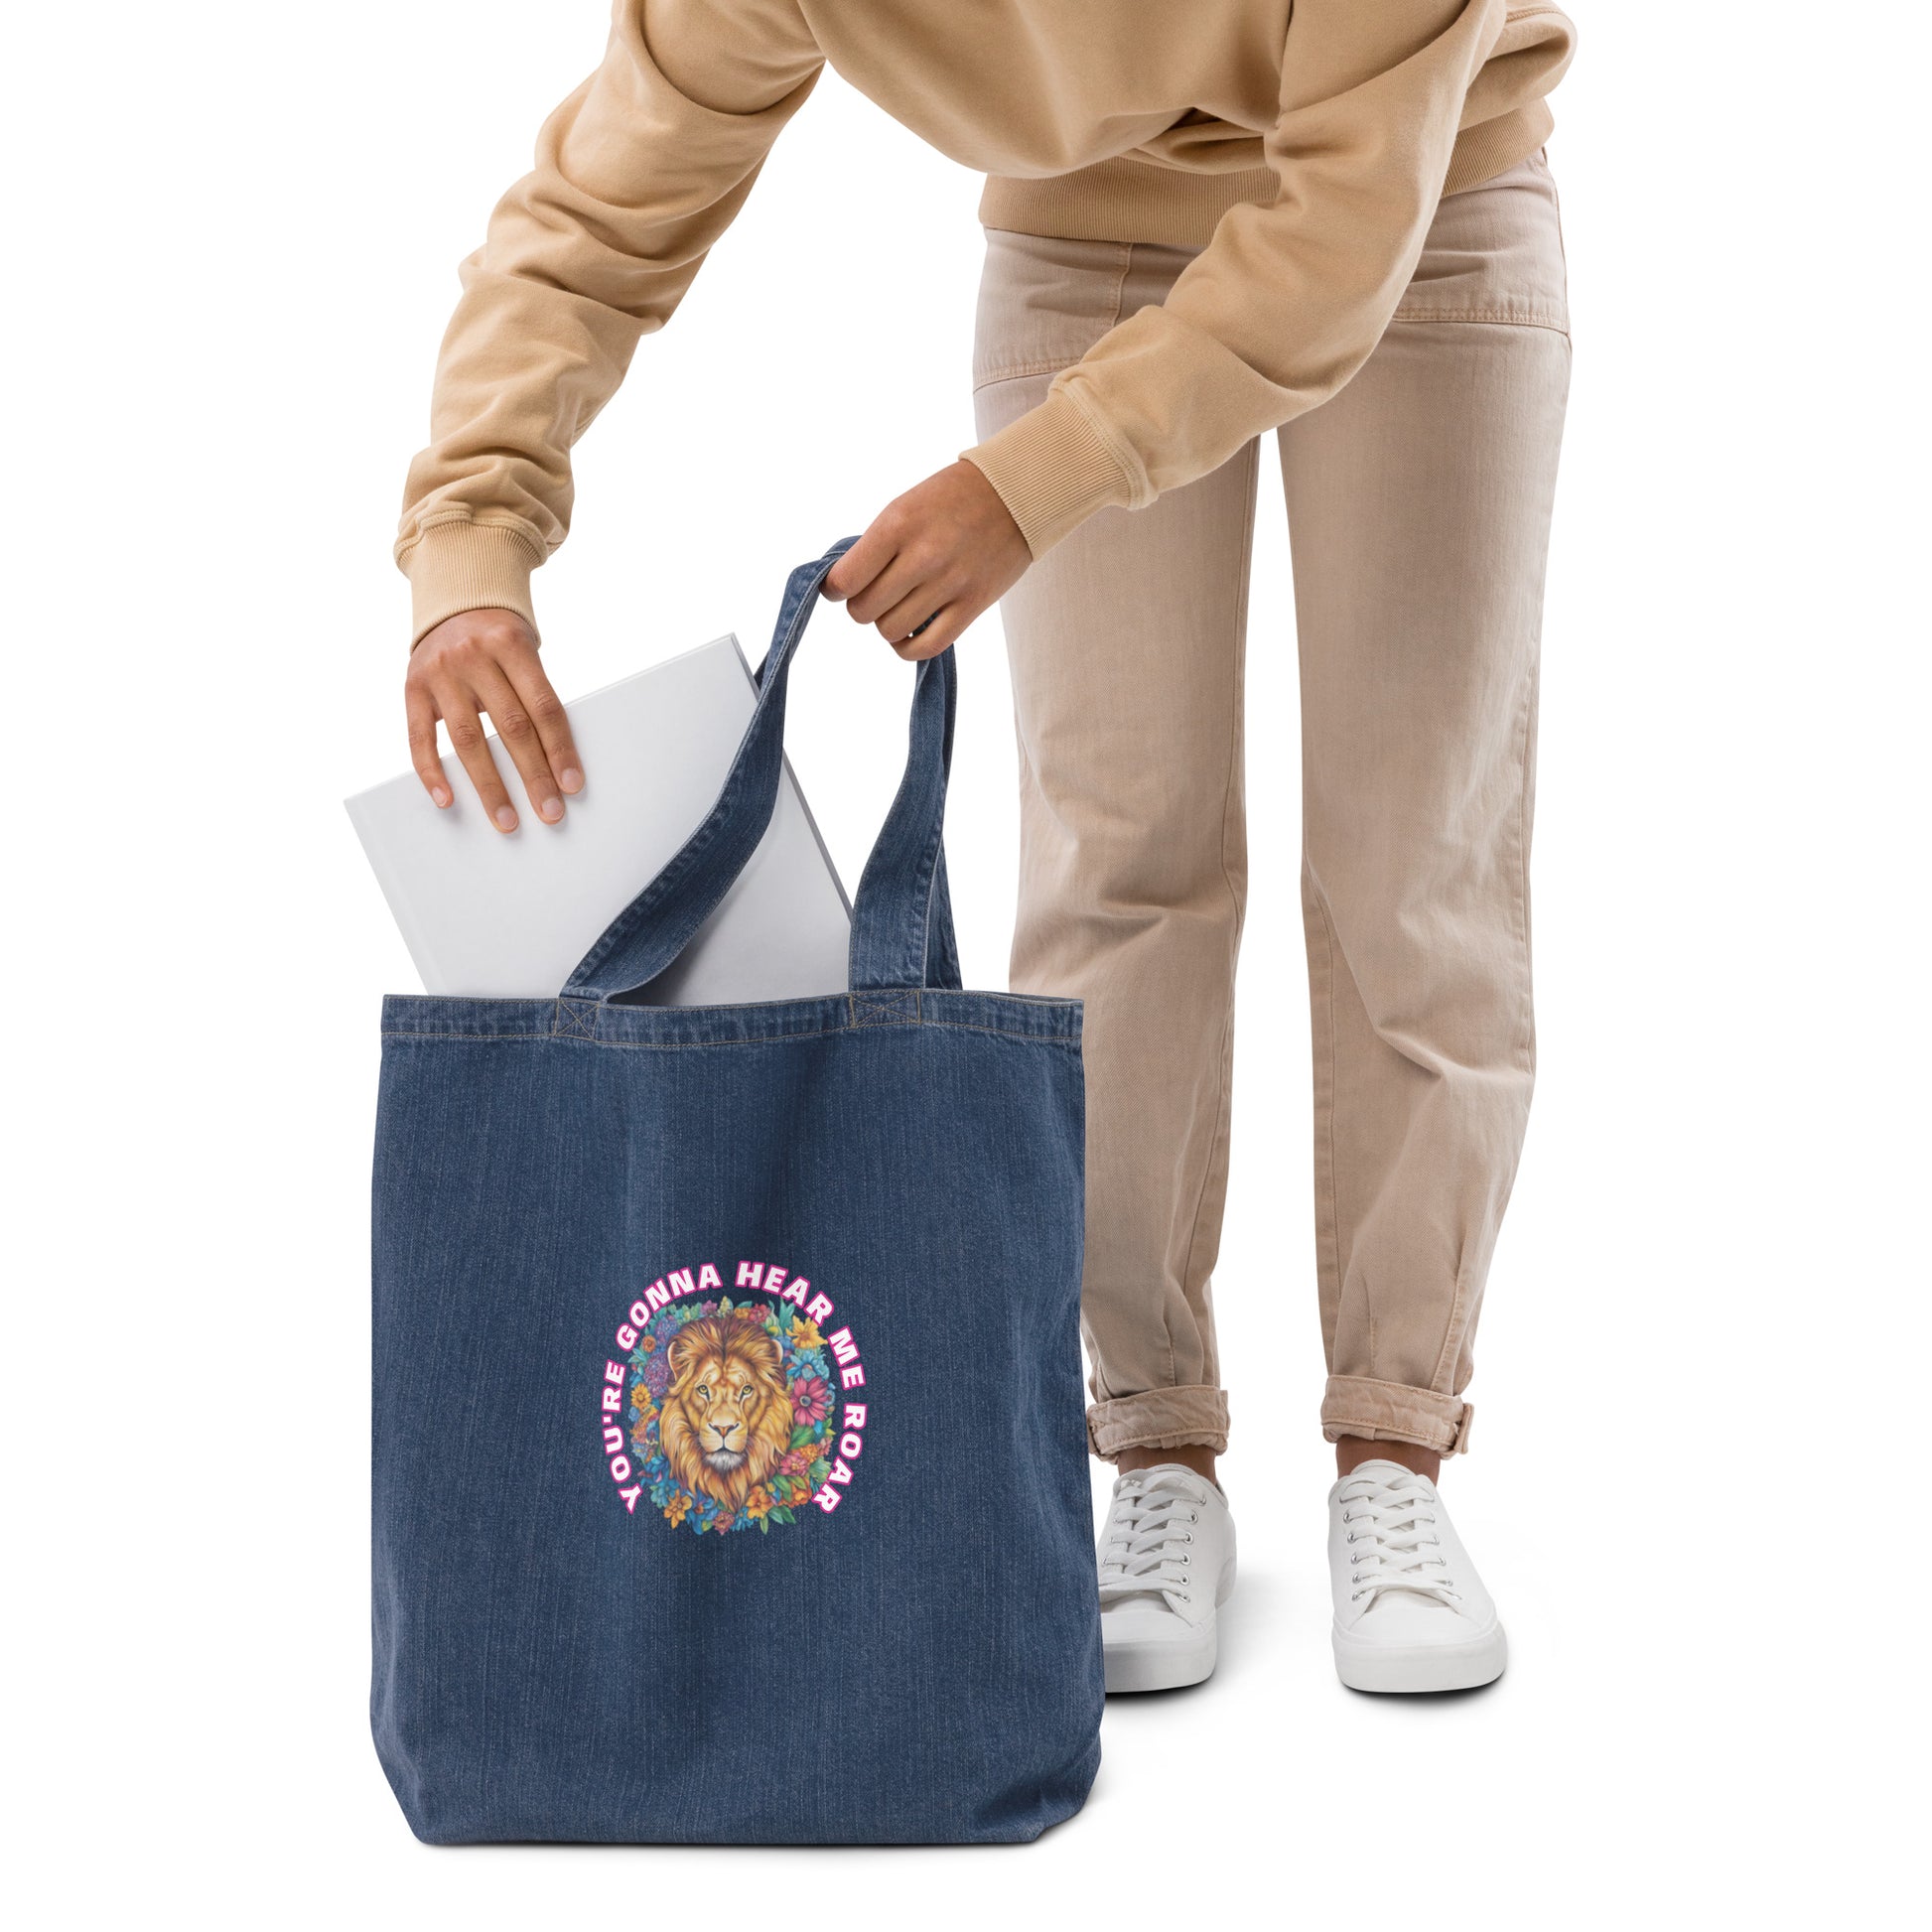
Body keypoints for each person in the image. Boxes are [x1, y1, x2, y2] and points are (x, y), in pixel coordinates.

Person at [395, 0, 1576, 1697]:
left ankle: (1392, 1450)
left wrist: (1034, 481)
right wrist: (471, 534)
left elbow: (1332, 229)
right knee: (1120, 862)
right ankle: (1152, 1451)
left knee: (1415, 858)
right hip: (1083, 238)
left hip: (1423, 202)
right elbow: (601, 211)